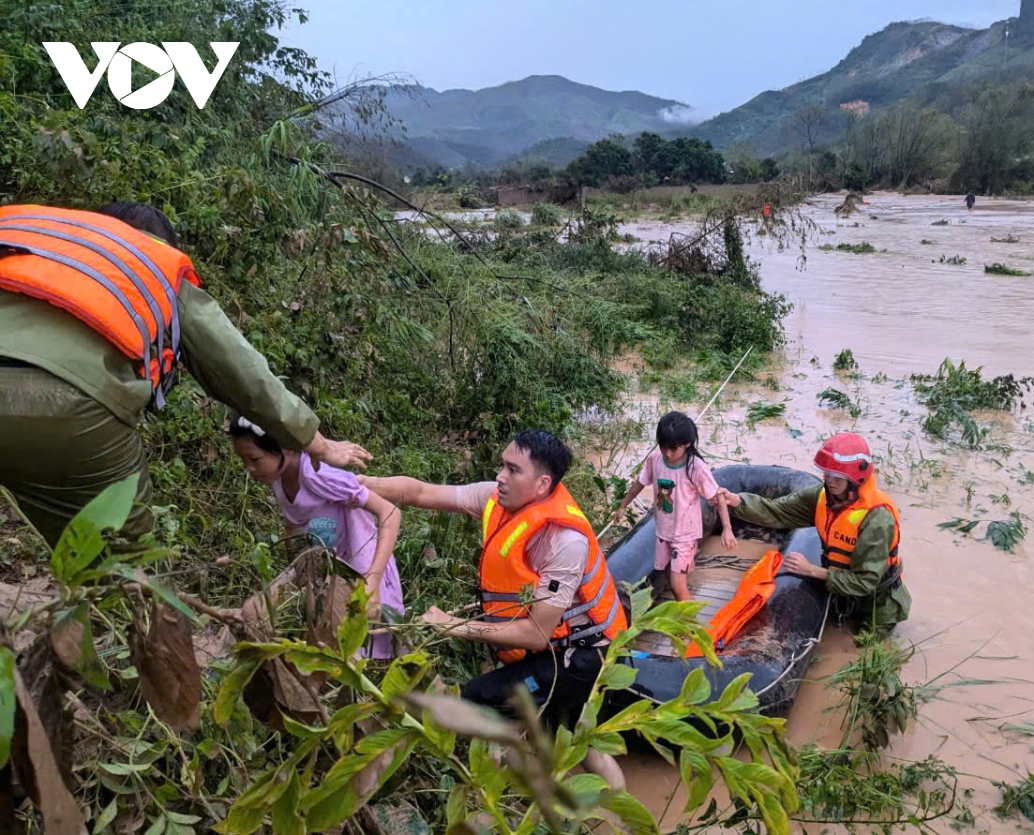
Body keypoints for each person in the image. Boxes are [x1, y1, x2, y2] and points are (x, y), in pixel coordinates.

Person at [0, 202, 370, 547]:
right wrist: (318, 444)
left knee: (61, 534)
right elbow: (244, 374)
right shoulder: (153, 265)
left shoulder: (27, 229)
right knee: (120, 561)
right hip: (69, 406)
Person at [360, 429, 628, 786]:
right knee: (574, 733)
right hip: (555, 647)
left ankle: (496, 794)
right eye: (502, 465)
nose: (500, 476)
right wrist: (357, 484)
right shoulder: (495, 498)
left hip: (582, 655)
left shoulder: (564, 542)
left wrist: (452, 625)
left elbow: (535, 634)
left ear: (542, 483)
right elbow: (419, 492)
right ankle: (610, 811)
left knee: (481, 698)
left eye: (513, 470)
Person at [229, 416, 403, 657]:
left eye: (254, 459)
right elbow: (293, 525)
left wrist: (372, 582)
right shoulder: (276, 478)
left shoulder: (318, 476)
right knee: (252, 613)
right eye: (243, 460)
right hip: (318, 567)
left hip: (355, 571)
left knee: (343, 652)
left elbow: (391, 513)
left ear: (285, 449)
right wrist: (299, 572)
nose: (249, 468)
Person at [715, 432, 910, 634]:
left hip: (875, 603)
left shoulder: (876, 519)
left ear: (855, 478)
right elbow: (777, 511)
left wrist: (811, 571)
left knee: (861, 647)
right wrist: (738, 502)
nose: (830, 481)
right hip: (840, 589)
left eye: (837, 477)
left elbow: (865, 583)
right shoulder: (821, 496)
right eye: (827, 474)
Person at [613, 412, 736, 602]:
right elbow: (640, 483)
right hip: (663, 531)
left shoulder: (695, 467)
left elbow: (718, 496)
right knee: (670, 579)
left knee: (678, 586)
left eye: (673, 449)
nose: (668, 454)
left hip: (684, 534)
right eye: (663, 447)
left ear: (686, 444)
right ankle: (687, 611)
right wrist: (622, 506)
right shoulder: (655, 459)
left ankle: (693, 630)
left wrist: (727, 529)